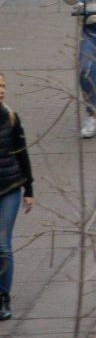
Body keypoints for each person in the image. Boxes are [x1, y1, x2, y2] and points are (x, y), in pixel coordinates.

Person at [0, 74, 29, 321]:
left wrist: (29, 190)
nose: (1, 91)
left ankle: (3, 298)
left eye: (2, 86)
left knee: (3, 245)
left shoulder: (10, 117)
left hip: (10, 188)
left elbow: (22, 153)